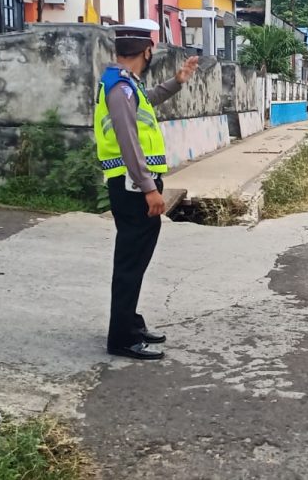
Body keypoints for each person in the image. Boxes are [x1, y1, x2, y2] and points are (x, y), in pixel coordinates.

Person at [94, 19, 200, 360]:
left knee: (136, 259)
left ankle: (130, 323)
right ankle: (121, 338)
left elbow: (147, 100)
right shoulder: (120, 88)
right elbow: (128, 141)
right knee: (130, 261)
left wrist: (177, 81)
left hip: (133, 183)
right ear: (147, 51)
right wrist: (148, 188)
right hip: (132, 185)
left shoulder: (126, 84)